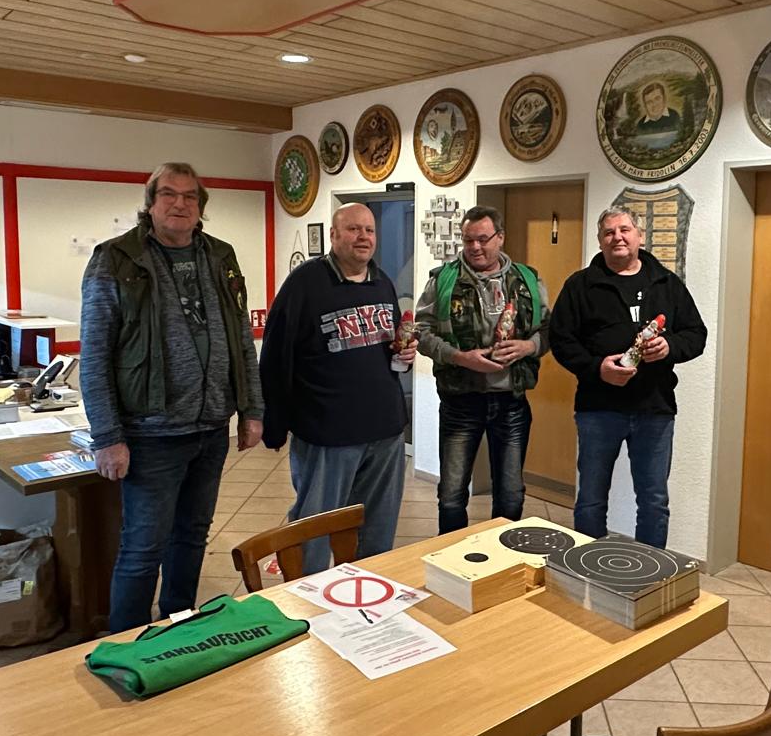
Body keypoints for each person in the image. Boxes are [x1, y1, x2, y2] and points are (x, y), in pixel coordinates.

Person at [81, 162, 263, 631]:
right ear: (150, 203)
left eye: (190, 196)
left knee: (192, 537)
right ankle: (127, 643)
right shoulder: (115, 259)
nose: (180, 203)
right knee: (143, 548)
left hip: (211, 428)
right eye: (169, 194)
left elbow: (241, 339)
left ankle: (178, 626)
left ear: (201, 206)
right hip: (151, 433)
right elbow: (95, 354)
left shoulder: (220, 255)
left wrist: (251, 409)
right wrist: (107, 436)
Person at [260, 203, 416, 575]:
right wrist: (274, 424)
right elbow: (275, 358)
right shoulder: (304, 284)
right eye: (353, 229)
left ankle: (366, 592)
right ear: (333, 235)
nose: (363, 237)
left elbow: (391, 345)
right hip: (327, 435)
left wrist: (405, 353)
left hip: (385, 430)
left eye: (369, 230)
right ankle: (304, 597)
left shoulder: (382, 282)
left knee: (377, 534)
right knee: (313, 532)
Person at [549, 207, 707, 547]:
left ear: (640, 236)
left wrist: (670, 346)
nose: (617, 237)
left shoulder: (666, 283)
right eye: (609, 232)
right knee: (591, 500)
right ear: (600, 240)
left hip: (655, 409)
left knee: (654, 502)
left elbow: (696, 335)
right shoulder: (580, 285)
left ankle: (651, 573)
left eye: (624, 230)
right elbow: (560, 340)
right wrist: (597, 368)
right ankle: (585, 569)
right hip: (598, 408)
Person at [413, 206, 551, 533]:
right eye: (468, 240)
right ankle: (450, 557)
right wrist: (460, 357)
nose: (475, 247)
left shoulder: (528, 280)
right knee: (451, 496)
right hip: (460, 401)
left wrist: (528, 347)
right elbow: (421, 333)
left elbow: (549, 330)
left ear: (500, 238)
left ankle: (502, 558)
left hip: (511, 403)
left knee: (511, 496)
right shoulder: (443, 280)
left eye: (483, 239)